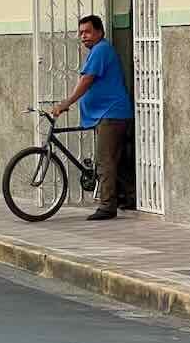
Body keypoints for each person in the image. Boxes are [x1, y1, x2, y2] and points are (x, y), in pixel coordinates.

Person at [49, 14, 136, 221]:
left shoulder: (101, 50)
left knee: (104, 161)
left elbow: (87, 80)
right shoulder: (96, 52)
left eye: (87, 31)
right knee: (115, 159)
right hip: (105, 113)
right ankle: (127, 196)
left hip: (111, 113)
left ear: (99, 32)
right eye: (80, 33)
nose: (83, 36)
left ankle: (107, 207)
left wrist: (66, 103)